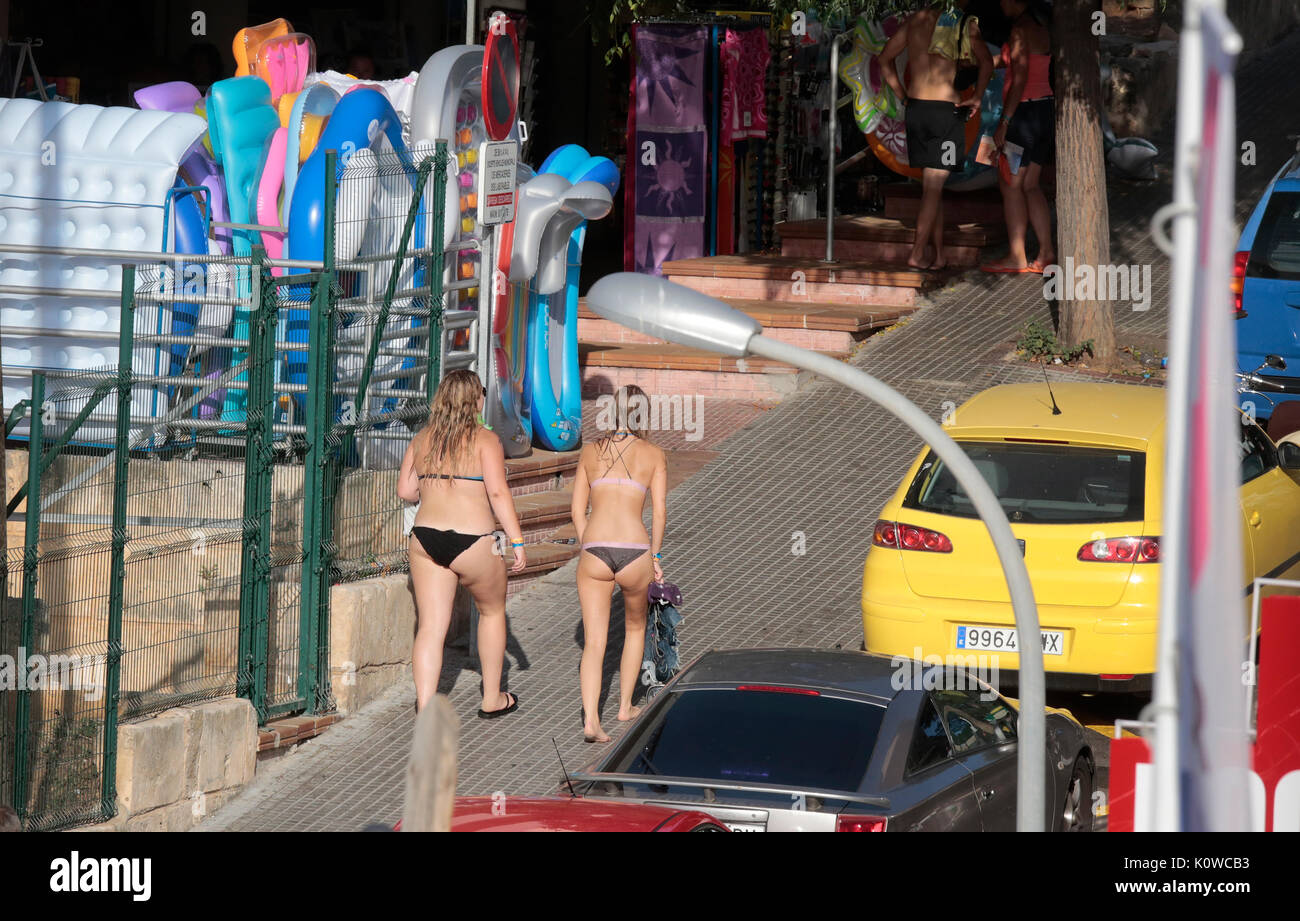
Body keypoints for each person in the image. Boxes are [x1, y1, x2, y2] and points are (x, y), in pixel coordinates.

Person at [397, 370, 526, 717]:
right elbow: (498, 492)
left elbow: (406, 492)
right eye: (482, 392)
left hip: (426, 539)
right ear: (475, 399)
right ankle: (492, 699)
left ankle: (424, 706)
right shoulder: (486, 440)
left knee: (430, 627)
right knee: (492, 611)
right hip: (475, 541)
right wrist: (517, 541)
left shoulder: (422, 438)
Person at [570, 386, 667, 743]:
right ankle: (625, 705)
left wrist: (588, 543)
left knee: (594, 642)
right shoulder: (653, 455)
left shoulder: (590, 452)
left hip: (595, 549)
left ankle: (591, 721)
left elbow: (576, 510)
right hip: (634, 550)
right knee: (635, 628)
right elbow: (659, 513)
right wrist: (655, 556)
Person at [879, 2, 995, 270]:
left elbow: (885, 58)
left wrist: (902, 96)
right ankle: (917, 253)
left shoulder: (914, 20)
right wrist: (977, 96)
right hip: (946, 113)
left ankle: (939, 254)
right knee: (933, 186)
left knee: (933, 186)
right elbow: (987, 63)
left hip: (917, 109)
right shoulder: (963, 22)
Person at [982, 0, 1056, 274]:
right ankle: (1046, 252)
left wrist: (1005, 121)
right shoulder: (1040, 27)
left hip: (1022, 114)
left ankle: (1017, 256)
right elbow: (1013, 62)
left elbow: (1021, 76)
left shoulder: (1019, 30)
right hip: (1044, 109)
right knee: (1031, 185)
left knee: (1009, 183)